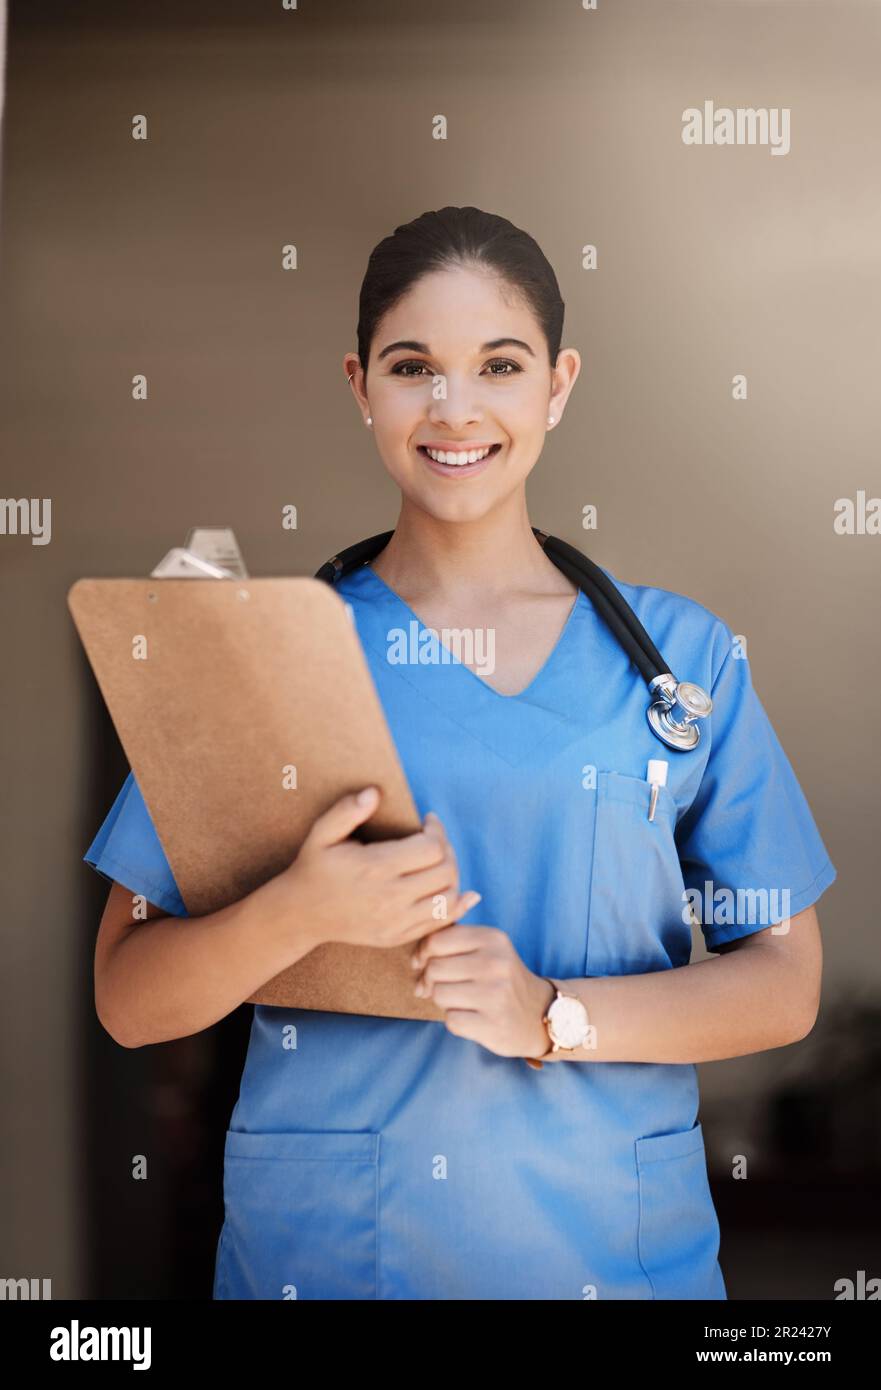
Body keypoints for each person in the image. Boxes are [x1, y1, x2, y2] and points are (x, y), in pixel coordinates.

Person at [85, 206, 836, 1300]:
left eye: (498, 364)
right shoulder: (266, 657)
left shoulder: (681, 662)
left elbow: (784, 982)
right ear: (358, 385)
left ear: (558, 384)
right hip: (331, 1262)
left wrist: (552, 1012)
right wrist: (298, 910)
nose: (454, 407)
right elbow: (126, 993)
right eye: (411, 367)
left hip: (614, 1265)